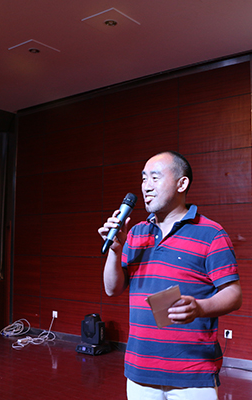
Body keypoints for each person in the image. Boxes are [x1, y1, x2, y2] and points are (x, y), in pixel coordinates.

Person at [98, 151, 242, 400]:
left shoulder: (211, 233)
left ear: (181, 184)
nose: (146, 186)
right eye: (144, 178)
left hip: (193, 372)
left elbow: (234, 294)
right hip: (140, 369)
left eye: (155, 177)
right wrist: (115, 250)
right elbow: (112, 289)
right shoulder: (135, 233)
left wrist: (200, 307)